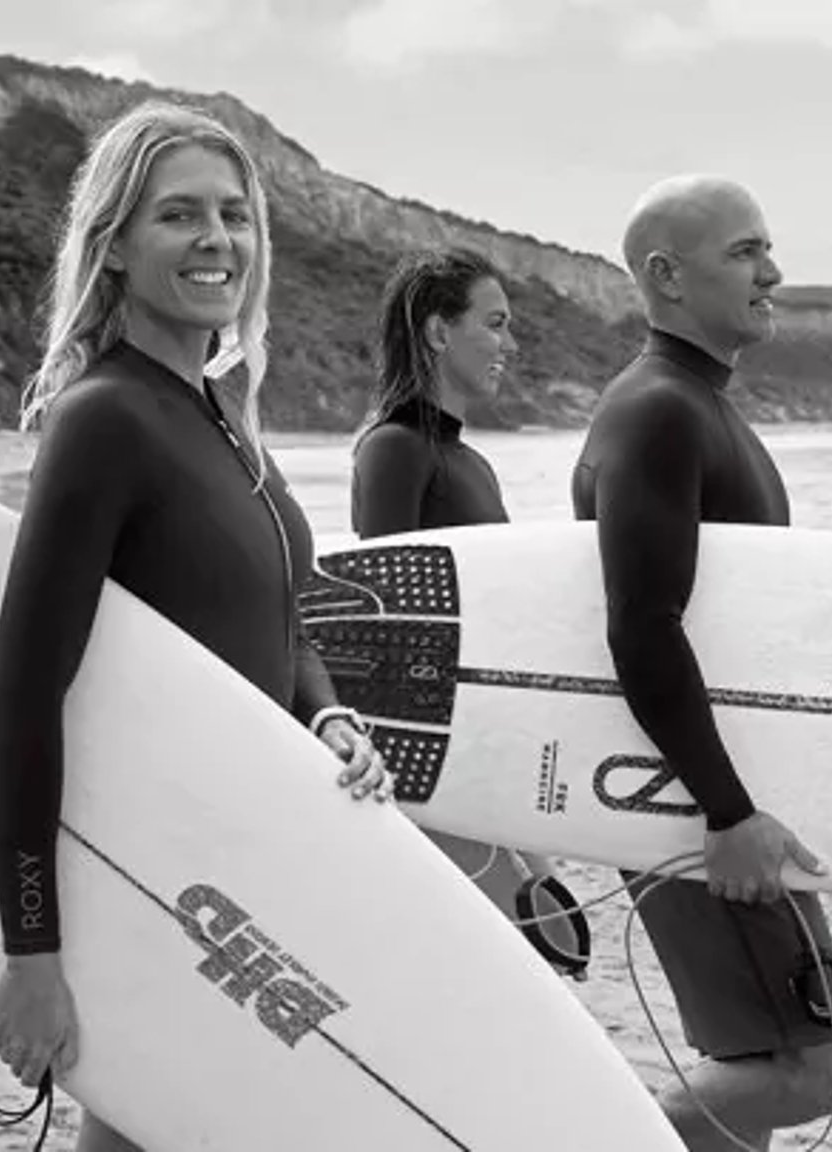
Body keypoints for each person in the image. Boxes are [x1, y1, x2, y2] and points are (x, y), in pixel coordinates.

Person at [0, 99, 397, 1152]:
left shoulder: (221, 417)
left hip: (245, 854)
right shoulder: (106, 419)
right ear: (114, 245)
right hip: (159, 868)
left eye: (235, 215)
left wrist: (328, 718)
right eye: (179, 217)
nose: (217, 241)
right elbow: (24, 692)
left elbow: (281, 619)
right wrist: (33, 955)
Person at [569, 173, 832, 1149]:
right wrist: (727, 811)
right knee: (809, 1071)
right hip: (696, 803)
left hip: (719, 796)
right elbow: (642, 625)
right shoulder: (659, 412)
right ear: (664, 275)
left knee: (777, 1063)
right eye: (745, 251)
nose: (773, 271)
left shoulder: (694, 406)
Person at [346, 246, 586, 976]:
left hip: (487, 742)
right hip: (431, 754)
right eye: (495, 323)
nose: (510, 344)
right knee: (511, 952)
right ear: (438, 332)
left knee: (554, 936)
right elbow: (385, 623)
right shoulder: (394, 451)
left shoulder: (470, 463)